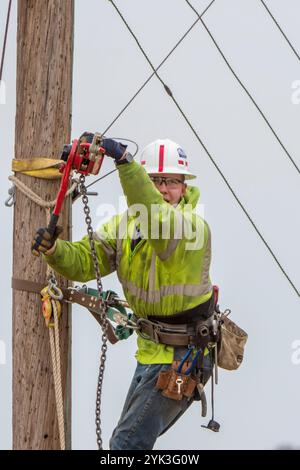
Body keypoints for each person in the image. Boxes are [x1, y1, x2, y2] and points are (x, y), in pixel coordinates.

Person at [32, 136, 215, 450]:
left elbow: (156, 219)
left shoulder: (191, 229)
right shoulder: (125, 227)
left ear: (184, 188)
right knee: (127, 444)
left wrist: (126, 163)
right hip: (151, 353)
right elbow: (85, 261)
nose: (162, 188)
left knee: (126, 446)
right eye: (155, 180)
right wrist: (54, 250)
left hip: (183, 357)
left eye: (171, 181)